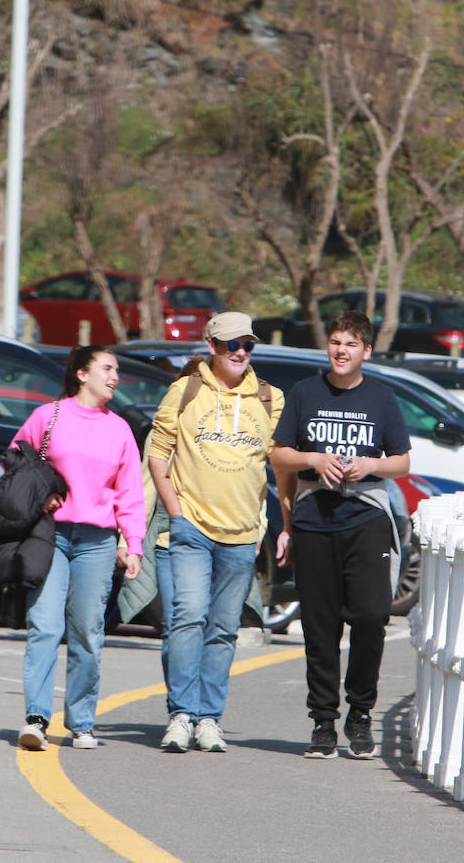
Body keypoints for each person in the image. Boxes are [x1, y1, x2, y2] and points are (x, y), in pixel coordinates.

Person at [270, 311, 410, 760]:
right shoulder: (305, 392)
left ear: (366, 351)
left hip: (366, 517)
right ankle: (324, 722)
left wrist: (370, 464)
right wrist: (314, 458)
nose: (340, 350)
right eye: (334, 342)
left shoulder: (381, 398)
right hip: (315, 520)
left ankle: (361, 711)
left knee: (371, 616)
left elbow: (402, 462)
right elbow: (279, 454)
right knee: (319, 625)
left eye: (350, 344)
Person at [148, 311, 284, 753]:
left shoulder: (269, 398)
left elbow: (281, 463)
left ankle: (209, 719)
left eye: (248, 345)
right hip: (191, 528)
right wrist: (176, 511)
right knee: (187, 617)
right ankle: (181, 715)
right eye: (232, 345)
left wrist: (278, 522)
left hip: (243, 533)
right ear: (212, 347)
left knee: (224, 628)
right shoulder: (185, 391)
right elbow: (158, 454)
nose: (240, 352)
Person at [13, 346, 145, 751]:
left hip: (98, 543)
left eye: (117, 370)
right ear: (82, 374)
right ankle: (37, 718)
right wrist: (41, 497)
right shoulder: (49, 416)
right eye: (107, 369)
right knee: (46, 626)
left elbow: (130, 491)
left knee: (88, 632)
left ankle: (82, 722)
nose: (115, 376)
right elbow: (17, 456)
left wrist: (133, 544)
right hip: (51, 534)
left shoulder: (119, 429)